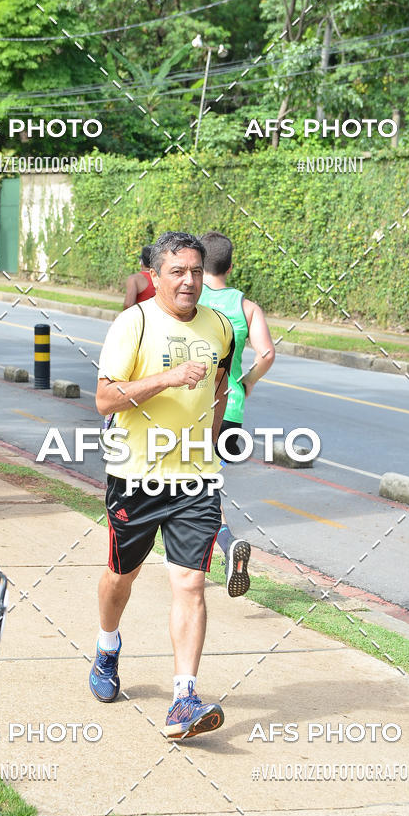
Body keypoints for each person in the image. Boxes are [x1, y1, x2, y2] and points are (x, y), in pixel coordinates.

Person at [90, 230, 234, 740]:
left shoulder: (219, 327)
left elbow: (218, 390)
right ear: (156, 277)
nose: (189, 281)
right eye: (178, 272)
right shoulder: (134, 323)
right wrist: (169, 379)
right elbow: (105, 400)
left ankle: (183, 699)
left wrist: (211, 450)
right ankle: (108, 646)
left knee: (190, 583)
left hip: (195, 479)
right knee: (120, 577)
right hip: (135, 476)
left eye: (196, 271)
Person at [199, 231, 275, 597]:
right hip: (230, 409)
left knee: (191, 485)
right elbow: (266, 355)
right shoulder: (248, 308)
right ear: (230, 266)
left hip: (191, 408)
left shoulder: (187, 297)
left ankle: (224, 546)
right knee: (201, 483)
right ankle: (213, 547)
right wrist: (245, 385)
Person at [122, 245, 156, 310]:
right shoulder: (163, 278)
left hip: (142, 318)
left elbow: (128, 305)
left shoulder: (135, 279)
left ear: (141, 261)